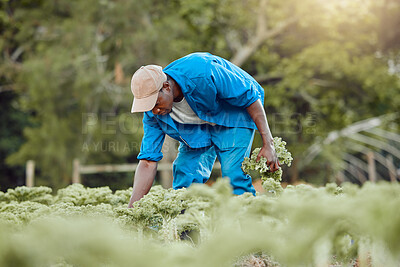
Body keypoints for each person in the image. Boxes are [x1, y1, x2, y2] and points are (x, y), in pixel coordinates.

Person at [128, 52, 279, 207]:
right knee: (185, 175)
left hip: (233, 116)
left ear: (166, 87)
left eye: (155, 103)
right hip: (197, 129)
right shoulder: (152, 114)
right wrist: (132, 209)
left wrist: (269, 144)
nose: (154, 111)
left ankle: (248, 228)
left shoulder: (202, 72)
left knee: (234, 177)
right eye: (148, 106)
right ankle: (187, 228)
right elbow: (147, 161)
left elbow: (250, 97)